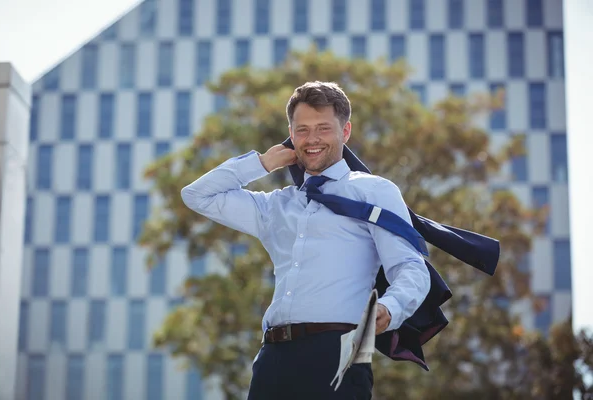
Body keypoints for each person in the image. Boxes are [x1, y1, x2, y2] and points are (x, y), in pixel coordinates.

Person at [181, 81, 431, 399]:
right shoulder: (276, 205)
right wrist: (263, 163)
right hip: (272, 359)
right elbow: (196, 195)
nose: (312, 139)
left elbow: (411, 267)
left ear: (346, 131)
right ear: (291, 133)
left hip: (337, 355)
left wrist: (390, 307)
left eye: (323, 128)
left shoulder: (374, 192)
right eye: (302, 130)